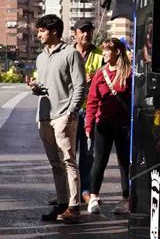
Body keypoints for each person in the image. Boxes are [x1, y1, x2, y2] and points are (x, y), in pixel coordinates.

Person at [29, 15, 86, 222]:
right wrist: (36, 88)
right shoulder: (41, 57)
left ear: (53, 31)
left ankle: (74, 206)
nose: (39, 34)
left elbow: (80, 86)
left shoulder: (71, 54)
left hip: (64, 115)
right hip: (44, 116)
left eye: (42, 30)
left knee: (68, 161)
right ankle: (62, 204)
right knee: (55, 163)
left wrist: (72, 111)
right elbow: (44, 88)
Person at [82, 36, 133, 216]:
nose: (103, 53)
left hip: (124, 125)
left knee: (125, 162)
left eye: (107, 50)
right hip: (102, 124)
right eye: (103, 49)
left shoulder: (129, 73)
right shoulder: (100, 74)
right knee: (99, 161)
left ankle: (127, 198)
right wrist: (88, 126)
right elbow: (92, 102)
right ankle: (94, 196)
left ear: (117, 52)